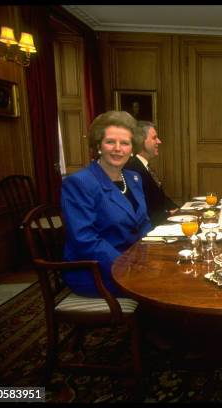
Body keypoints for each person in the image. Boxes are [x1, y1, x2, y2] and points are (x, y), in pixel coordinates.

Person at [61, 111, 151, 297]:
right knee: (163, 287)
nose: (118, 148)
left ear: (132, 149)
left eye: (125, 143)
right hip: (96, 270)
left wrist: (156, 253)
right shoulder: (80, 182)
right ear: (99, 146)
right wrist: (126, 266)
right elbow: (85, 240)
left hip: (133, 261)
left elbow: (143, 223)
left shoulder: (134, 178)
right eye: (110, 141)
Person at [124, 121, 179, 227]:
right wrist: (167, 215)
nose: (159, 141)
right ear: (141, 141)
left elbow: (161, 198)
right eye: (154, 138)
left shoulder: (144, 166)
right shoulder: (132, 169)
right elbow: (143, 209)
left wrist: (180, 211)